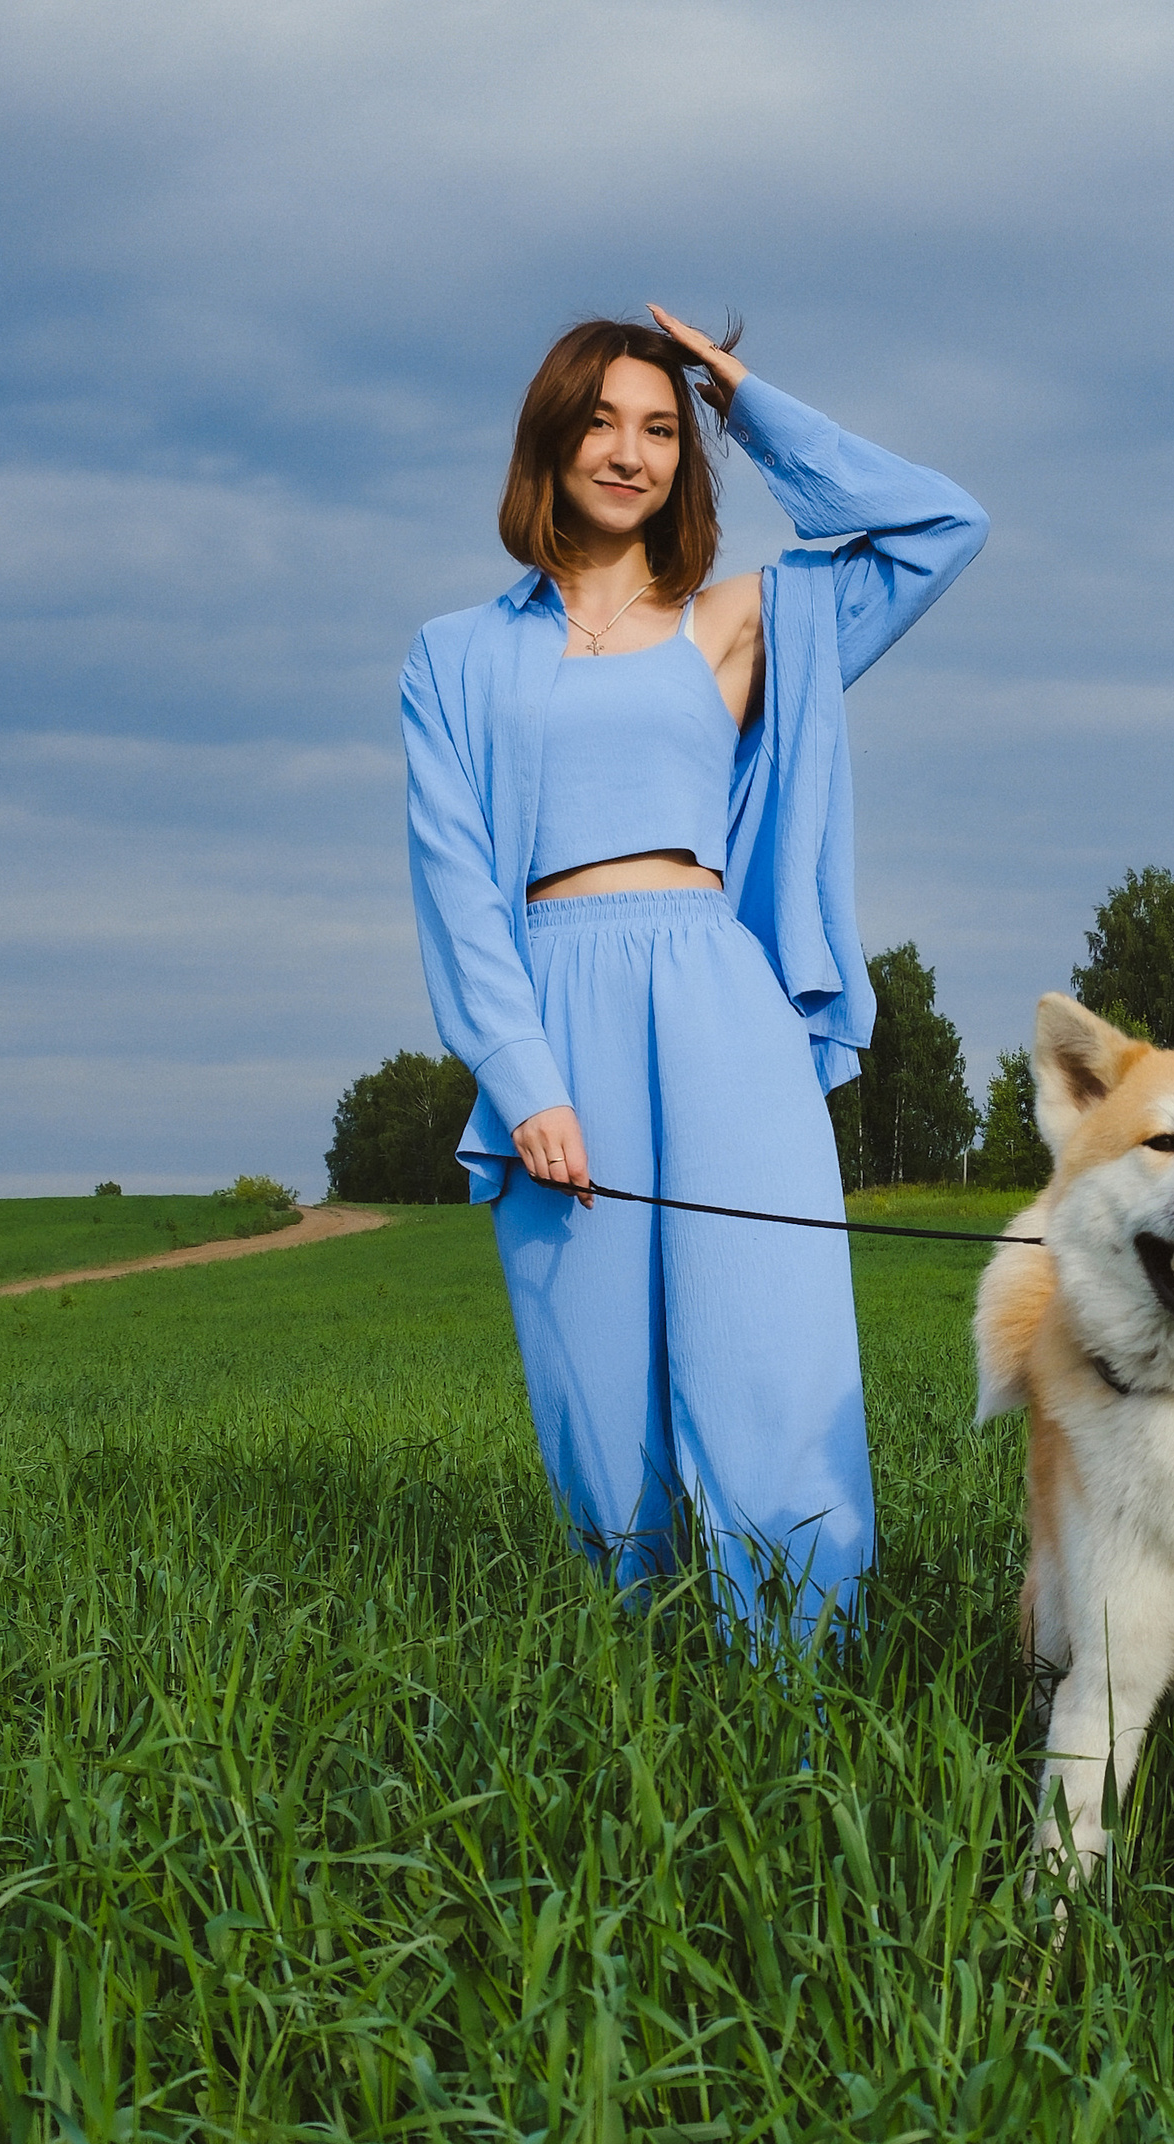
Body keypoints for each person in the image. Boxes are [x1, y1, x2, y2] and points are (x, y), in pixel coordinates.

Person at [402, 307, 987, 1636]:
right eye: (602, 422)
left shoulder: (742, 622)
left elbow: (943, 527)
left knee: (767, 1350)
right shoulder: (454, 655)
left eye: (661, 429)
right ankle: (643, 1688)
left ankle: (801, 1693)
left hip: (721, 1004)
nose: (630, 452)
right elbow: (453, 883)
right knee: (598, 1396)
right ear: (551, 441)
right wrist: (523, 1079)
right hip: (554, 1010)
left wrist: (747, 402)